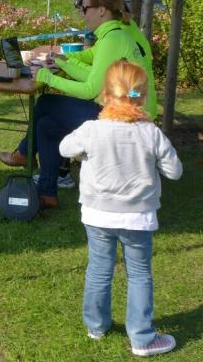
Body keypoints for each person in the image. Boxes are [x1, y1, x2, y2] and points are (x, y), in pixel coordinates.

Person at [59, 60, 182, 357]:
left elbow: (64, 148)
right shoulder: (150, 132)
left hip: (97, 214)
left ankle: (96, 326)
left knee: (99, 270)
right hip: (137, 217)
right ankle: (141, 338)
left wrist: (83, 156)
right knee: (139, 274)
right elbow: (175, 171)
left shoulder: (91, 130)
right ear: (142, 96)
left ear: (105, 94)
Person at [0, 0, 155, 209]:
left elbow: (90, 89)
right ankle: (47, 193)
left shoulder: (112, 39)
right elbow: (92, 74)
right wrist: (61, 61)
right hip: (125, 111)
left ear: (102, 10)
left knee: (45, 102)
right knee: (46, 125)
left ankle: (24, 153)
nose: (83, 14)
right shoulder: (112, 35)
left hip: (126, 116)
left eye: (86, 9)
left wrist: (48, 77)